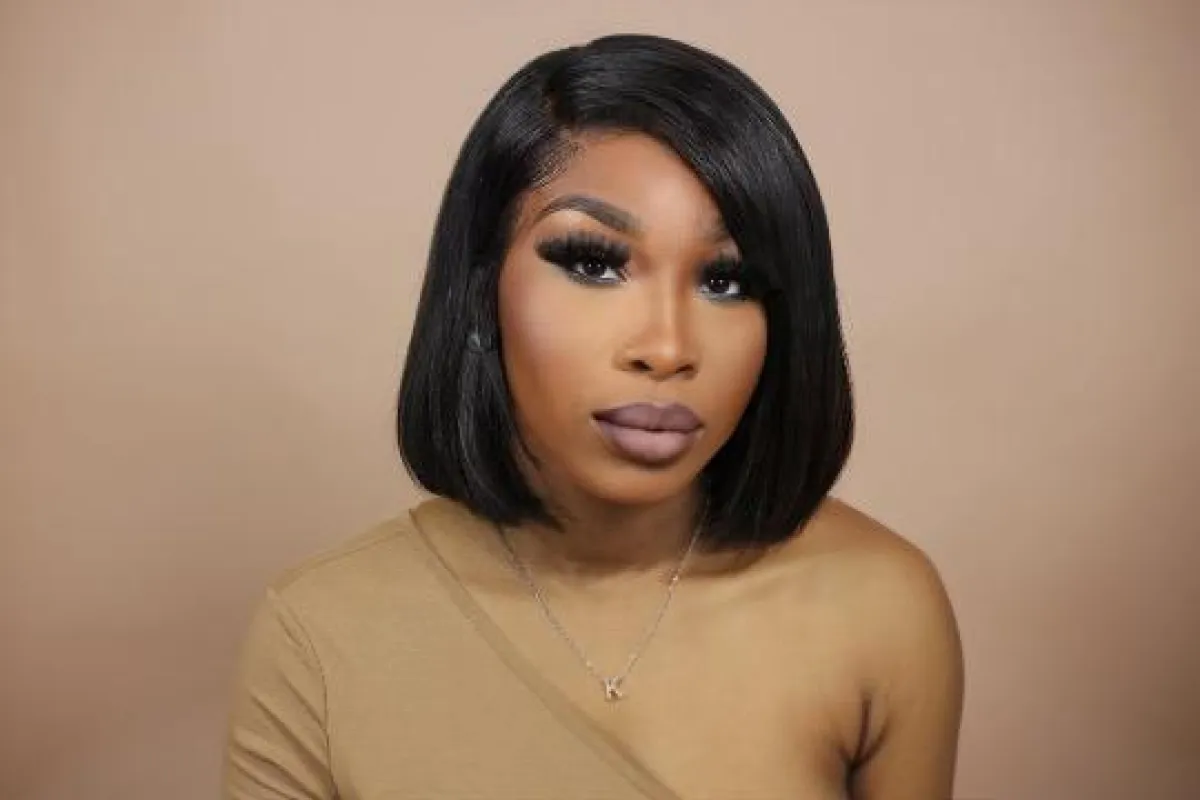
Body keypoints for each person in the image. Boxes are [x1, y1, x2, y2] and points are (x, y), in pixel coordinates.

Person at [222, 33, 963, 800]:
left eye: (726, 281)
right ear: (480, 290)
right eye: (593, 263)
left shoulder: (877, 607)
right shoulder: (321, 632)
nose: (667, 348)